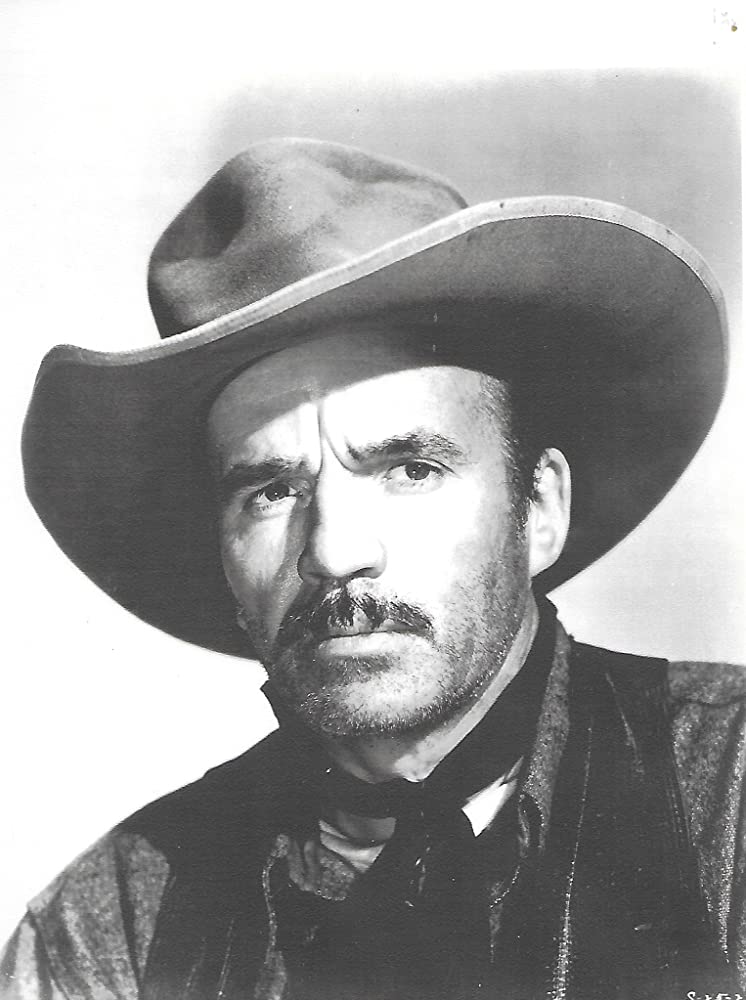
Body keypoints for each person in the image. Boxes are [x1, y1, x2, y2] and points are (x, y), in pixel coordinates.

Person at [2, 137, 744, 999]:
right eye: (272, 491)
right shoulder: (115, 929)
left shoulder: (727, 792)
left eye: (409, 469)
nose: (335, 551)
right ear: (219, 553)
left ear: (537, 508)